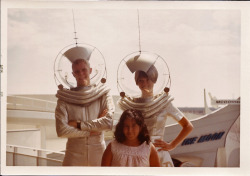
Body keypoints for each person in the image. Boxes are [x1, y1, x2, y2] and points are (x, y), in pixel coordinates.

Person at [117, 54, 193, 167]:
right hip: (137, 154)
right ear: (137, 82)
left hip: (159, 154)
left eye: (149, 79)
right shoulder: (131, 104)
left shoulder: (164, 102)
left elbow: (188, 126)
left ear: (155, 79)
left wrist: (172, 145)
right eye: (141, 80)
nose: (145, 83)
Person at [55, 46, 115, 166]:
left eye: (84, 70)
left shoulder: (103, 93)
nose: (81, 74)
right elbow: (62, 130)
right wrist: (91, 131)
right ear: (73, 74)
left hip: (98, 153)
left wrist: (78, 125)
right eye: (77, 71)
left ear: (90, 70)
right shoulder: (65, 97)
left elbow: (108, 122)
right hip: (73, 154)